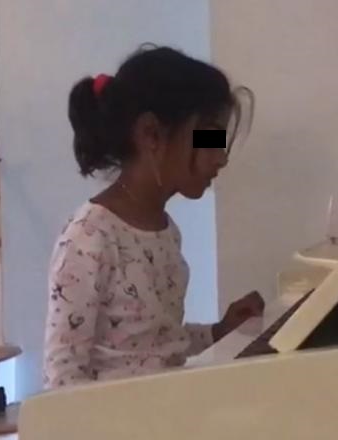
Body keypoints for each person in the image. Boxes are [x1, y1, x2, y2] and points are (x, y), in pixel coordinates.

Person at [44, 45, 264, 389]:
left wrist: (218, 331)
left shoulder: (166, 231)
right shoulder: (89, 235)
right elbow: (62, 376)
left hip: (162, 408)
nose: (221, 158)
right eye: (210, 137)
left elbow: (156, 345)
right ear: (151, 134)